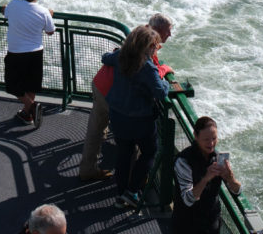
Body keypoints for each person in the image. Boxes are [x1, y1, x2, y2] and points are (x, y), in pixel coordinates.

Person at [79, 13, 174, 182]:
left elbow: (113, 59)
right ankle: (133, 180)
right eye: (168, 31)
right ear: (158, 32)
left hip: (101, 85)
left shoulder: (137, 36)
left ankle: (87, 169)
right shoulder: (147, 43)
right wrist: (163, 71)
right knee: (131, 140)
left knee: (96, 129)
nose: (170, 35)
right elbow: (148, 73)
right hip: (115, 94)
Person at [102, 25, 170, 209]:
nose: (156, 49)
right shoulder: (147, 67)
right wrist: (165, 81)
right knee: (149, 152)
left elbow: (105, 58)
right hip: (140, 120)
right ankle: (132, 191)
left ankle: (121, 193)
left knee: (124, 154)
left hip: (118, 116)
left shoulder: (121, 56)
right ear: (147, 47)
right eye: (154, 46)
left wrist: (114, 52)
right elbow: (160, 92)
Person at [172, 116, 243, 234]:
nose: (211, 143)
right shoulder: (183, 161)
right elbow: (188, 199)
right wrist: (206, 178)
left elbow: (237, 191)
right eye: (206, 139)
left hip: (211, 223)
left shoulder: (218, 158)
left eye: (214, 138)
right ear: (195, 136)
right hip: (186, 224)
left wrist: (231, 178)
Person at [3, 0, 55, 128]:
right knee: (31, 84)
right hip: (36, 53)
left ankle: (30, 109)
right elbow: (50, 31)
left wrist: (4, 8)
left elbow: (5, 12)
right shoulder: (43, 11)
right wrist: (50, 15)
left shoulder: (13, 5)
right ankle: (29, 111)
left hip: (16, 52)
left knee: (12, 85)